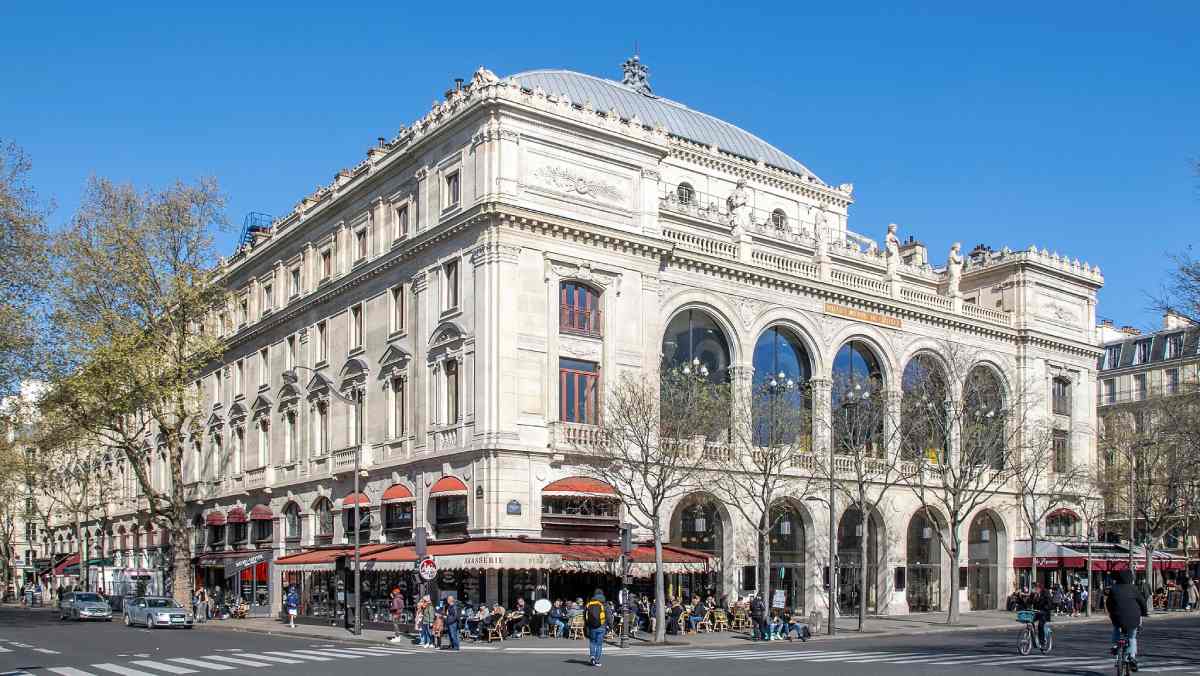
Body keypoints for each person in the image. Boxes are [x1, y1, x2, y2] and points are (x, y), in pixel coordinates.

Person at [1107, 569, 1149, 670]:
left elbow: (1109, 603)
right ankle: (1132, 657)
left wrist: (1111, 612)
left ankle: (1115, 645)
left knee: (1116, 627)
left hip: (1117, 617)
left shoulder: (1114, 589)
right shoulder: (1133, 588)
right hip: (1133, 618)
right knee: (1132, 637)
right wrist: (1144, 612)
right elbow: (1142, 602)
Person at [585, 589, 607, 668]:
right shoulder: (604, 603)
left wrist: (586, 626)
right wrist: (610, 626)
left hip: (591, 626)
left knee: (592, 642)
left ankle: (592, 657)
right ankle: (597, 660)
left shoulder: (589, 604)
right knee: (599, 644)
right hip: (601, 626)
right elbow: (609, 615)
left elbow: (585, 617)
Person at [1032, 582, 1054, 648]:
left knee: (1040, 625)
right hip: (1037, 612)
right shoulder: (1034, 594)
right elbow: (1029, 602)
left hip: (1045, 612)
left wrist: (1044, 609)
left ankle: (1042, 642)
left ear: (1039, 588)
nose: (1034, 589)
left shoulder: (1045, 592)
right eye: (1034, 588)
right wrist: (1033, 597)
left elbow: (1050, 603)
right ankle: (1032, 636)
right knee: (1029, 620)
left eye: (1036, 588)